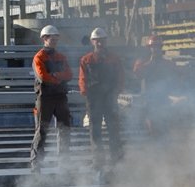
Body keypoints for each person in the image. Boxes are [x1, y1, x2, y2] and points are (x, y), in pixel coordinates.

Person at [79, 27, 124, 170]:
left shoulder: (114, 58)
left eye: (102, 41)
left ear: (106, 41)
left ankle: (116, 157)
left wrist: (117, 91)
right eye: (97, 41)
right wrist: (85, 92)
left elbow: (120, 76)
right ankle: (98, 160)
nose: (99, 43)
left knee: (113, 127)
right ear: (92, 42)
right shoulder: (86, 59)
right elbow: (82, 78)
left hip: (110, 97)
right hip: (94, 99)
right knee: (95, 129)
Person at [30, 25, 73, 173]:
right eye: (51, 39)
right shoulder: (39, 57)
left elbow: (69, 74)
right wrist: (58, 78)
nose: (54, 42)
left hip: (60, 96)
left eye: (56, 39)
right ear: (44, 39)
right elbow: (43, 77)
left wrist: (56, 76)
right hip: (45, 97)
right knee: (41, 131)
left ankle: (64, 163)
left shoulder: (61, 57)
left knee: (64, 129)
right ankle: (36, 165)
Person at [132, 34, 179, 136]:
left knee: (165, 124)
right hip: (148, 98)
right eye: (153, 47)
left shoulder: (167, 63)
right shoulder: (142, 62)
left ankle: (163, 143)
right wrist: (150, 63)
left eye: (158, 47)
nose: (156, 49)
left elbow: (176, 76)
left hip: (163, 98)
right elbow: (137, 74)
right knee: (151, 124)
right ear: (149, 48)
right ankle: (154, 141)